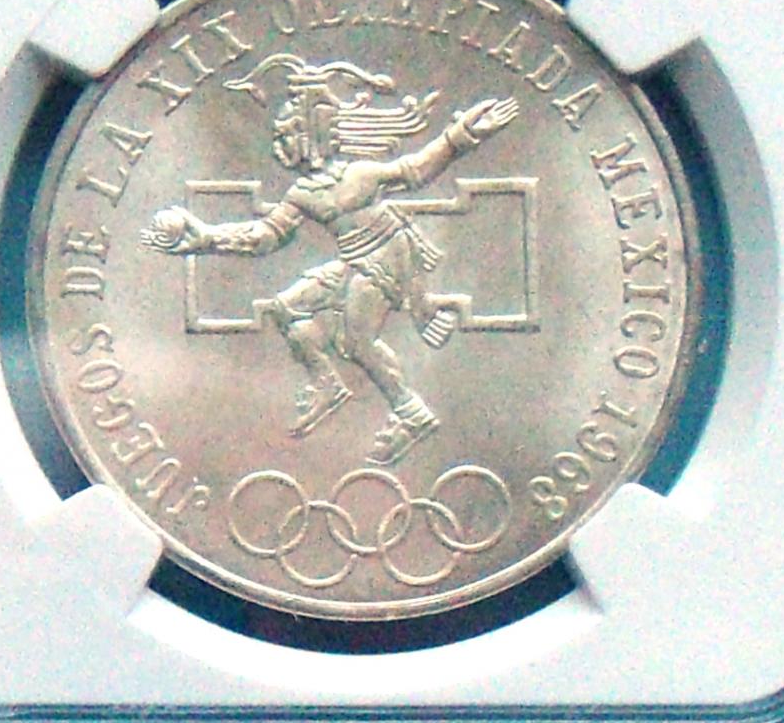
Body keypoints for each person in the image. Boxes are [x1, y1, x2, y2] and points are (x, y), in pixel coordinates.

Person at [141, 54, 518, 466]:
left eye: (286, 135)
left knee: (358, 341)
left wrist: (460, 135)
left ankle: (411, 413)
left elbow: (417, 169)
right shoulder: (301, 193)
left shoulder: (360, 174)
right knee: (287, 307)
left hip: (389, 256)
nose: (278, 145)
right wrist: (207, 238)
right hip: (356, 261)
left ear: (312, 133)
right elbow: (266, 236)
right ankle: (327, 384)